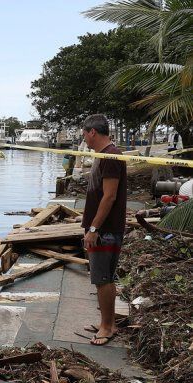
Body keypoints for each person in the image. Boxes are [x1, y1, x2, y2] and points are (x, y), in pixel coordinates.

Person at [80, 114, 127, 346]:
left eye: (84, 135)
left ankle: (108, 327)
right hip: (102, 228)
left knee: (103, 279)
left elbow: (109, 197)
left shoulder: (110, 156)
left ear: (92, 132)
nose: (84, 140)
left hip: (105, 230)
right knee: (102, 278)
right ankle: (105, 322)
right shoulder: (105, 155)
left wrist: (94, 228)